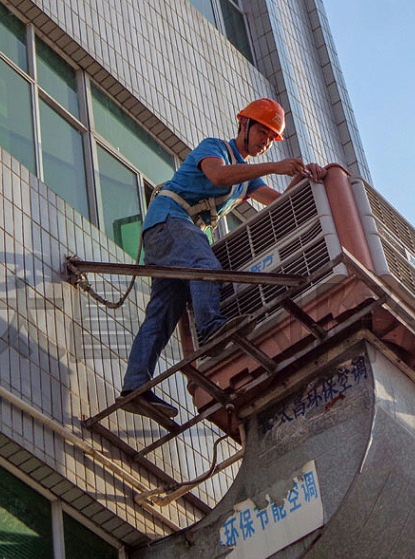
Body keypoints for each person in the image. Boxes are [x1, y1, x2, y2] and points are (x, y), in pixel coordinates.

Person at [119, 98, 326, 418]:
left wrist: (303, 178)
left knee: (162, 316)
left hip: (169, 238)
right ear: (243, 125)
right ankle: (212, 330)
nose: (266, 142)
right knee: (206, 265)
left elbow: (280, 203)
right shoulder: (214, 148)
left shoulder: (248, 179)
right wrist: (275, 167)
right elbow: (217, 176)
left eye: (272, 138)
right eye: (262, 132)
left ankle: (134, 387)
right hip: (169, 222)